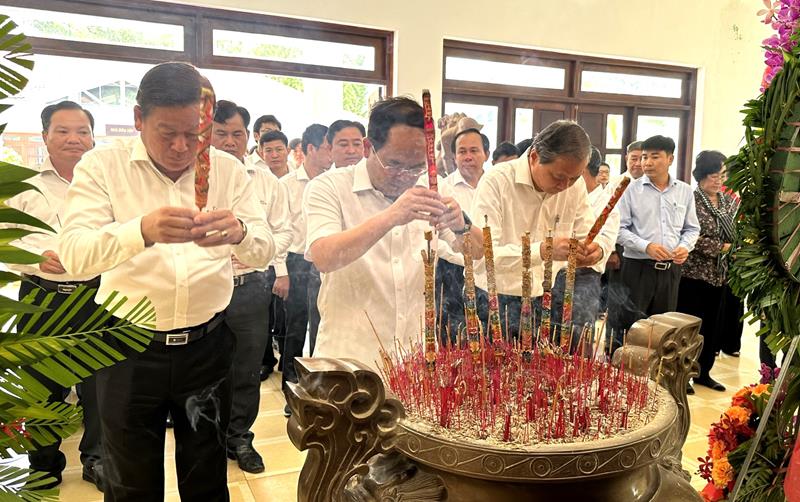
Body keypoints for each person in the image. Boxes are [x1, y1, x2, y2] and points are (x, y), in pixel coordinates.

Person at [59, 62, 274, 501]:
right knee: (131, 481)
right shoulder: (103, 166)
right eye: (167, 133)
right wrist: (139, 230)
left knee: (207, 478)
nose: (181, 147)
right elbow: (74, 255)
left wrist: (240, 233)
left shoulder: (228, 170)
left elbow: (265, 250)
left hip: (207, 346)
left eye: (194, 135)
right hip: (127, 347)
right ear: (139, 118)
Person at [304, 96, 483, 367]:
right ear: (368, 148)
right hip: (349, 358)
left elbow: (477, 254)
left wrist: (462, 226)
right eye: (394, 164)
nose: (406, 176)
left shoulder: (432, 187)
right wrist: (391, 217)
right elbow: (323, 257)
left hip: (413, 359)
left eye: (416, 167)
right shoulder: (329, 188)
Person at [6, 101, 105, 491]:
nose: (73, 139)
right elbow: (7, 239)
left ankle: (97, 459)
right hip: (40, 298)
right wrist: (35, 257)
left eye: (82, 131)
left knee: (99, 385)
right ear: (45, 136)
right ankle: (43, 465)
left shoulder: (106, 183)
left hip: (96, 296)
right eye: (62, 131)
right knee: (41, 385)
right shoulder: (24, 185)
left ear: (92, 138)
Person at [211, 100, 292, 472]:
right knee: (204, 369)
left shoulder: (265, 181)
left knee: (245, 369)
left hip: (249, 288)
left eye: (237, 134)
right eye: (221, 133)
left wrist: (260, 253)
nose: (229, 141)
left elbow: (283, 230)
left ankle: (240, 437)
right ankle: (208, 439)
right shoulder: (194, 179)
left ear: (249, 137)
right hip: (205, 289)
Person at [472, 121, 603, 341]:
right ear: (534, 157)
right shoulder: (496, 181)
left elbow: (586, 233)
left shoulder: (575, 185)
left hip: (550, 296)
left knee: (545, 362)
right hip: (497, 298)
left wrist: (593, 252)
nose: (565, 186)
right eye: (558, 177)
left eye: (574, 178)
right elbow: (485, 255)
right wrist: (543, 251)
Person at [611, 135, 700, 352]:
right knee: (631, 328)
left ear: (670, 159)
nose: (647, 162)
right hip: (638, 269)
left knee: (664, 330)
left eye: (654, 157)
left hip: (670, 271)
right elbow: (619, 230)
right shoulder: (629, 190)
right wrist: (646, 246)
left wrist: (684, 247)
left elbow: (692, 228)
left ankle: (656, 372)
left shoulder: (684, 191)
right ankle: (624, 370)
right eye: (644, 157)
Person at [277, 123, 331, 415]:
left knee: (321, 324)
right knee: (296, 326)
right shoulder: (287, 184)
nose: (331, 154)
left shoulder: (333, 182)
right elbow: (281, 228)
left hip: (324, 260)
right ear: (311, 149)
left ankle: (316, 387)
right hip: (297, 261)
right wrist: (281, 271)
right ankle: (291, 388)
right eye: (327, 148)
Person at [676, 150, 736, 392]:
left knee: (712, 327)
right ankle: (682, 376)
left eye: (723, 175)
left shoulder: (728, 201)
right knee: (690, 328)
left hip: (719, 275)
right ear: (701, 175)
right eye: (714, 176)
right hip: (693, 275)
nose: (719, 180)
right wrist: (720, 247)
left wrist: (733, 248)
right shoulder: (691, 200)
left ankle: (704, 373)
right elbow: (687, 234)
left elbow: (736, 232)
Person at [437, 128, 489, 340]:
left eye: (474, 150)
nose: (468, 157)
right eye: (462, 151)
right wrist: (463, 256)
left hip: (491, 272)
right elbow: (440, 234)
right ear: (454, 157)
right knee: (456, 339)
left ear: (486, 154)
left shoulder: (496, 185)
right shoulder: (444, 188)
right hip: (454, 274)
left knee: (491, 339)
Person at [582, 147, 620, 326]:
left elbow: (606, 240)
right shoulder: (562, 195)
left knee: (578, 333)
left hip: (585, 276)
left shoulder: (607, 202)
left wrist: (598, 250)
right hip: (554, 275)